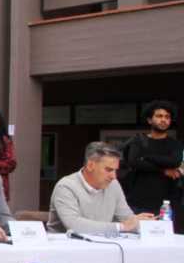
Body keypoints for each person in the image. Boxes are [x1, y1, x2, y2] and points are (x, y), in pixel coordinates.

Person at [48, 142, 155, 235]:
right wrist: (121, 227)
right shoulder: (66, 186)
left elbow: (127, 219)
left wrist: (146, 224)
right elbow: (74, 225)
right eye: (109, 170)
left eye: (115, 170)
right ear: (90, 165)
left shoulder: (113, 184)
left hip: (102, 246)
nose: (114, 176)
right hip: (66, 251)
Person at [120, 100, 182, 234]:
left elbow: (175, 161)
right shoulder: (138, 141)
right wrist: (163, 169)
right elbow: (134, 162)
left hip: (165, 206)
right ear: (149, 120)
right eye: (159, 116)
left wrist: (147, 157)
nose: (164, 120)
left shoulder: (175, 144)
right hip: (137, 203)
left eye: (167, 117)